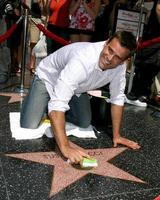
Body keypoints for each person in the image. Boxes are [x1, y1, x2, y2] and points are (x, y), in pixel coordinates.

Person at [20, 31, 140, 164]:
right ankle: (36, 99)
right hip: (48, 78)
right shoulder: (83, 59)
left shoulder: (119, 67)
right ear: (105, 43)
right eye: (110, 50)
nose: (110, 58)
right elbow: (57, 105)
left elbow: (117, 98)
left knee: (84, 122)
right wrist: (65, 147)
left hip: (76, 88)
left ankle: (49, 108)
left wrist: (117, 135)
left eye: (117, 57)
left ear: (124, 61)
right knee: (29, 124)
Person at [126, 0, 160, 107]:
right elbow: (159, 8)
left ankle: (142, 94)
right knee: (148, 64)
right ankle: (135, 95)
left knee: (153, 65)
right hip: (155, 34)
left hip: (154, 35)